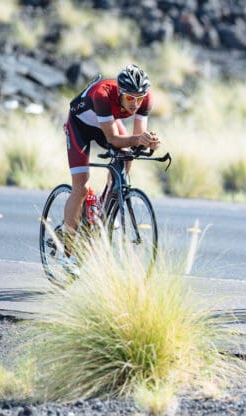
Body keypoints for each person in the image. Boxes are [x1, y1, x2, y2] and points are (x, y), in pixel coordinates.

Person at [61, 63, 161, 272]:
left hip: (106, 123)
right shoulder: (103, 95)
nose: (135, 104)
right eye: (130, 98)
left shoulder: (145, 99)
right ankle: (68, 253)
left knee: (127, 156)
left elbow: (136, 139)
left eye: (139, 99)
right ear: (120, 94)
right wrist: (138, 139)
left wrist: (148, 141)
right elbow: (114, 139)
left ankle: (107, 203)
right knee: (80, 186)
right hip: (80, 126)